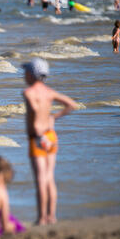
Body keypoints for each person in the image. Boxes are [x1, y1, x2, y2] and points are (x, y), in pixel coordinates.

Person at [22, 58, 78, 225]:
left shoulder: (28, 93)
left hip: (38, 137)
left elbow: (33, 108)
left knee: (40, 178)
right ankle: (52, 216)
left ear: (31, 75)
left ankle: (41, 217)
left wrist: (37, 122)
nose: (24, 75)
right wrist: (53, 117)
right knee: (49, 178)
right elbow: (71, 104)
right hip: (51, 135)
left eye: (26, 72)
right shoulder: (49, 92)